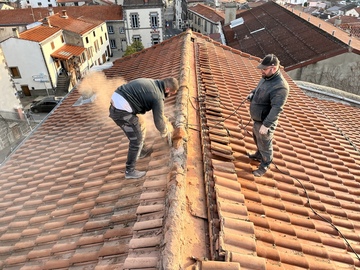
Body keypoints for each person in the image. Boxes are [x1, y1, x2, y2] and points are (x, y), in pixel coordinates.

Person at [109, 77, 179, 179]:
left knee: (141, 124)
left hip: (117, 101)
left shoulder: (153, 83)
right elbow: (158, 122)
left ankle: (142, 151)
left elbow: (160, 115)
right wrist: (165, 132)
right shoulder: (158, 96)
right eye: (171, 93)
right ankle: (130, 171)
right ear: (167, 89)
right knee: (136, 140)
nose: (169, 96)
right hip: (121, 111)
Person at [247, 54, 289, 177]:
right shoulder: (266, 77)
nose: (262, 71)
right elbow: (258, 88)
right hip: (258, 119)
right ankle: (258, 155)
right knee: (256, 138)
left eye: (264, 69)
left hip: (266, 121)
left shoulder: (280, 86)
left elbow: (277, 108)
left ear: (274, 68)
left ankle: (264, 165)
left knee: (265, 144)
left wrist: (266, 125)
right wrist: (252, 93)